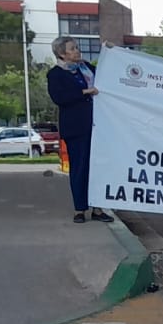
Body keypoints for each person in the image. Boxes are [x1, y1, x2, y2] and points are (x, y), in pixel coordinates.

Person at [47, 36, 109, 224]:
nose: (77, 51)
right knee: (80, 167)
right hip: (76, 127)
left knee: (97, 168)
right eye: (72, 48)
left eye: (76, 47)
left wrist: (110, 53)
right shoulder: (56, 74)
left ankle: (97, 208)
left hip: (97, 126)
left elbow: (107, 77)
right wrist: (84, 92)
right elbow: (59, 97)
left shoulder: (86, 68)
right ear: (62, 54)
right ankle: (80, 209)